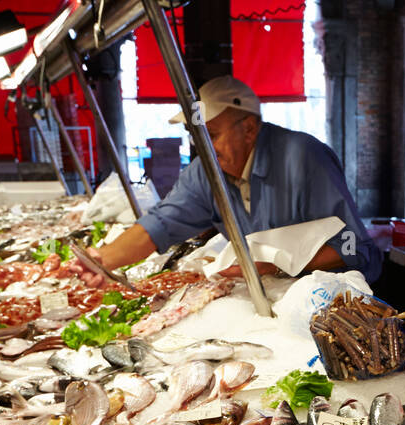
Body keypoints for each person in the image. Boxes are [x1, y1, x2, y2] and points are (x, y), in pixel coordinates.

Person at [90, 75, 381, 285]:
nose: (203, 147)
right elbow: (158, 226)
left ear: (250, 130)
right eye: (197, 138)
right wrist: (99, 261)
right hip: (270, 296)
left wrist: (276, 266)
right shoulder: (206, 171)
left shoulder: (304, 158)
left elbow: (353, 247)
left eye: (212, 135)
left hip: (333, 301)